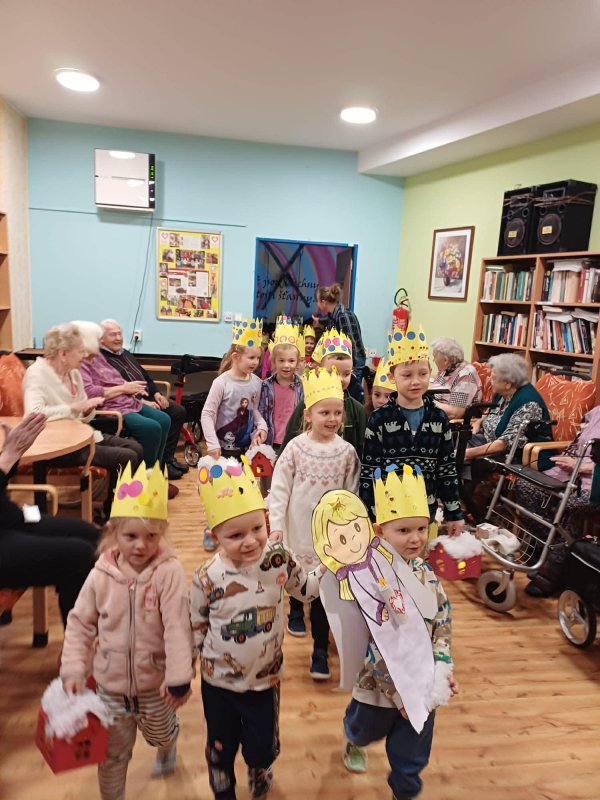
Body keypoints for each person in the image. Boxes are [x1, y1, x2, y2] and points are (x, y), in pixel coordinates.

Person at [311, 467, 457, 799]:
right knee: (363, 730)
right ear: (380, 531)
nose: (415, 538)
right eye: (404, 530)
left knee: (412, 756)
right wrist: (400, 694)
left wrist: (443, 665)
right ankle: (353, 738)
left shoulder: (426, 574)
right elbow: (376, 646)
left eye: (421, 528)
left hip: (421, 687)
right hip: (377, 688)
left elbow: (442, 617)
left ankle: (404, 791)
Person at [192, 456, 324, 800]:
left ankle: (259, 768)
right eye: (235, 535)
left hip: (265, 680)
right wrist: (180, 671)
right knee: (220, 742)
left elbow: (306, 590)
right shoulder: (207, 576)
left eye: (257, 529)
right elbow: (194, 627)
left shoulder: (277, 558)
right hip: (218, 682)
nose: (250, 541)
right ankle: (221, 777)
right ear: (215, 535)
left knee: (262, 744)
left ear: (266, 520)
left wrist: (329, 566)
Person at [60, 461, 194, 798]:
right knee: (112, 755)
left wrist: (179, 676)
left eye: (151, 536)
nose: (140, 546)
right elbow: (80, 623)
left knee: (161, 734)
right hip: (110, 687)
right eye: (130, 536)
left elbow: (178, 625)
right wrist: (74, 668)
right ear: (113, 532)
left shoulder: (168, 572)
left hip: (155, 687)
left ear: (162, 533)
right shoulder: (100, 575)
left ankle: (168, 744)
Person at [268, 367, 360, 676]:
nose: (332, 419)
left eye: (337, 413)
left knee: (323, 591)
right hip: (297, 530)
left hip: (328, 538)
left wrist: (347, 533)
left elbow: (351, 494)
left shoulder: (346, 453)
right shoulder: (295, 449)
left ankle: (320, 649)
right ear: (308, 415)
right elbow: (279, 490)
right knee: (295, 575)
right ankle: (295, 609)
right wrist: (276, 525)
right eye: (325, 412)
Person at [22, 322, 144, 521]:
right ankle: (114, 514)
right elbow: (33, 414)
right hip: (57, 446)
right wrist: (72, 408)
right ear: (63, 353)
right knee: (126, 456)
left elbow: (82, 414)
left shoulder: (73, 373)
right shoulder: (37, 373)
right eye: (80, 351)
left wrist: (87, 410)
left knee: (135, 448)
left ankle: (116, 505)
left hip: (82, 436)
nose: (85, 356)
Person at [360, 323, 464, 534]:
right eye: (407, 375)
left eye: (422, 374)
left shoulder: (439, 419)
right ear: (392, 377)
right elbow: (369, 470)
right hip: (388, 514)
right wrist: (369, 515)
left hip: (424, 513)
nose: (416, 381)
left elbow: (446, 468)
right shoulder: (379, 419)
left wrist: (454, 512)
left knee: (420, 554)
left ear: (430, 373)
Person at [0, 413, 97, 627]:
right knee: (79, 556)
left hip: (8, 518)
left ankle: (91, 636)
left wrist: (12, 455)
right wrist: (8, 457)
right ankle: (78, 644)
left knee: (92, 535)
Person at [516, 405, 600, 597]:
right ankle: (557, 550)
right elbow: (578, 444)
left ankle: (554, 568)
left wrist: (581, 467)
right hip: (568, 474)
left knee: (569, 504)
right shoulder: (596, 412)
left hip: (594, 484)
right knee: (525, 487)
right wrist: (567, 459)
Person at [200, 318, 267, 552]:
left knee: (244, 489)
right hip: (221, 449)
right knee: (219, 492)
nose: (255, 362)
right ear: (236, 357)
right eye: (251, 357)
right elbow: (207, 413)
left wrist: (261, 428)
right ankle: (211, 529)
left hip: (245, 449)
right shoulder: (221, 383)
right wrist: (211, 443)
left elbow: (255, 412)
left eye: (258, 358)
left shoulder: (257, 383)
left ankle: (239, 529)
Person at [462, 353, 553, 517]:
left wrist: (468, 453)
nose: (489, 380)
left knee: (469, 460)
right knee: (453, 443)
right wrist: (478, 422)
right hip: (489, 442)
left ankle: (469, 509)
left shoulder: (528, 403)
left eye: (493, 377)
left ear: (508, 383)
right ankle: (461, 504)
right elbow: (493, 415)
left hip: (518, 455)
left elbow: (505, 443)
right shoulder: (503, 393)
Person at [98, 319, 188, 481]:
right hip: (127, 401)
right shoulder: (101, 359)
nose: (118, 338)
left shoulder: (125, 353)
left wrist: (156, 393)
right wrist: (143, 401)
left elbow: (145, 375)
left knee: (177, 412)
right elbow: (117, 387)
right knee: (158, 423)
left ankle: (166, 461)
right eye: (113, 335)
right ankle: (149, 473)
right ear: (101, 339)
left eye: (119, 334)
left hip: (143, 396)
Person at [79, 330, 171, 470]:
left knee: (164, 419)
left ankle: (157, 469)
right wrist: (124, 388)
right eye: (97, 339)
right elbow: (90, 393)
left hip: (128, 400)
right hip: (111, 407)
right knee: (151, 428)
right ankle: (144, 472)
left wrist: (133, 389)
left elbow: (115, 378)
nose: (99, 342)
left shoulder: (98, 357)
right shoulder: (81, 363)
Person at [278, 328, 367, 457]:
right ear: (319, 370)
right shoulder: (306, 405)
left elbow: (361, 451)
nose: (340, 379)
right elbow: (287, 447)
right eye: (333, 372)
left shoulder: (357, 411)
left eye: (346, 374)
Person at [313, 283, 366, 402]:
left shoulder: (343, 316)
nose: (317, 305)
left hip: (354, 363)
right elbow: (328, 321)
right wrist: (319, 321)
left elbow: (351, 344)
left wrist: (351, 368)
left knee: (349, 397)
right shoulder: (333, 315)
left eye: (317, 301)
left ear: (323, 302)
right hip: (344, 363)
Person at [258, 318, 304, 452]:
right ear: (274, 362)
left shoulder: (302, 385)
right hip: (270, 442)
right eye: (281, 360)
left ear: (297, 362)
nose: (286, 365)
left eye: (291, 361)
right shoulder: (266, 386)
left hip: (294, 443)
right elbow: (260, 412)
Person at [429, 337, 482, 419]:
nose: (433, 360)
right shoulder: (447, 370)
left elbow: (455, 413)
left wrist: (426, 401)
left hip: (450, 421)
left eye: (434, 356)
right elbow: (436, 388)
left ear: (445, 360)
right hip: (436, 413)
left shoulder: (465, 376)